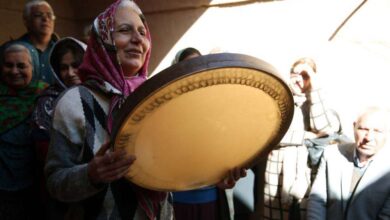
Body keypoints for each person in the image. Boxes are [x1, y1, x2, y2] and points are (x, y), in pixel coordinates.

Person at [45, 1, 245, 219]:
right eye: (124, 30)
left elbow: (174, 163)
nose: (138, 39)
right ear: (103, 40)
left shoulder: (159, 97)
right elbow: (54, 183)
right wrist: (90, 175)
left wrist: (213, 175)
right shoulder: (74, 102)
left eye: (142, 32)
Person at [253, 57, 343, 219]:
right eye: (295, 74)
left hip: (306, 176)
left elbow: (325, 128)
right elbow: (269, 135)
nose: (299, 79)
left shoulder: (319, 102)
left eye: (305, 75)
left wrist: (313, 89)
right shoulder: (278, 100)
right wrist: (306, 136)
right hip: (276, 174)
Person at [171, 47, 240, 220]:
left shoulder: (216, 108)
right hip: (178, 202)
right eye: (188, 66)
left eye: (198, 64)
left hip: (212, 201)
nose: (194, 70)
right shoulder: (168, 109)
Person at [31, 37, 86, 219]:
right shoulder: (48, 102)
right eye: (64, 68)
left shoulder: (101, 95)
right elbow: (45, 153)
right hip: (62, 194)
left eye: (76, 65)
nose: (70, 73)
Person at [307, 106, 390, 220]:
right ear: (354, 127)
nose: (369, 137)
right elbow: (317, 199)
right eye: (363, 129)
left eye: (377, 131)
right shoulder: (333, 154)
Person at [0, 43, 47, 219]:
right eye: (8, 65)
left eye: (21, 66)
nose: (14, 71)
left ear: (33, 67)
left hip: (35, 190)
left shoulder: (45, 97)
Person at [13, 0, 58, 85]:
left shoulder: (61, 50)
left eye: (49, 15)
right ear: (26, 21)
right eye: (38, 15)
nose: (45, 19)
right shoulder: (12, 51)